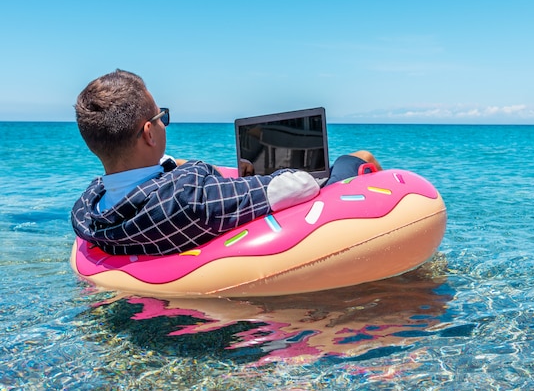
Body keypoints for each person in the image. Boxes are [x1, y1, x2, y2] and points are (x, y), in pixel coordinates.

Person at [71, 69, 382, 256]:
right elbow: (300, 185)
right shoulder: (192, 199)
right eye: (161, 117)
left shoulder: (90, 212)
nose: (165, 123)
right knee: (356, 158)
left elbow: (153, 176)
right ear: (149, 133)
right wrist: (245, 181)